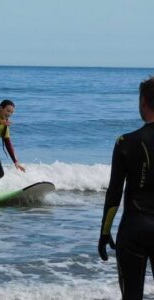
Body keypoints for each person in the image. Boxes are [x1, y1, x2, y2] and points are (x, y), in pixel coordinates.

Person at [98, 77, 154, 300]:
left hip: (134, 228)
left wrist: (104, 233)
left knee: (131, 296)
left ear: (143, 102)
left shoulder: (125, 141)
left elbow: (114, 194)